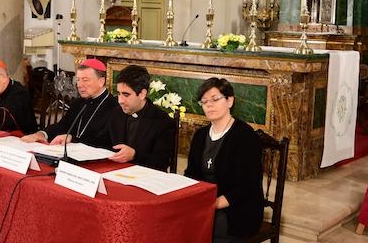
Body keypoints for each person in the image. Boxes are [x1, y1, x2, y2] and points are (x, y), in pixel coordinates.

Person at [184, 78, 264, 242]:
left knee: (206, 225)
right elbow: (191, 173)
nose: (209, 105)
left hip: (236, 207)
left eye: (215, 99)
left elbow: (247, 186)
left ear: (229, 100)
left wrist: (213, 204)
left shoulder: (244, 136)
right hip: (206, 201)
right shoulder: (200, 135)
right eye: (204, 102)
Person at [22, 58, 118, 149]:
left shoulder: (114, 107)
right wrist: (42, 134)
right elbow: (62, 126)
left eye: (85, 80)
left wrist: (72, 139)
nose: (79, 85)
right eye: (78, 80)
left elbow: (106, 142)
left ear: (101, 81)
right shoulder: (78, 102)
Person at [108, 65, 175, 171]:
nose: (120, 100)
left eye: (126, 95)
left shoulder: (162, 121)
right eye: (119, 94)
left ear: (142, 94)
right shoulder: (116, 113)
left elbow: (161, 163)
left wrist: (135, 155)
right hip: (115, 173)